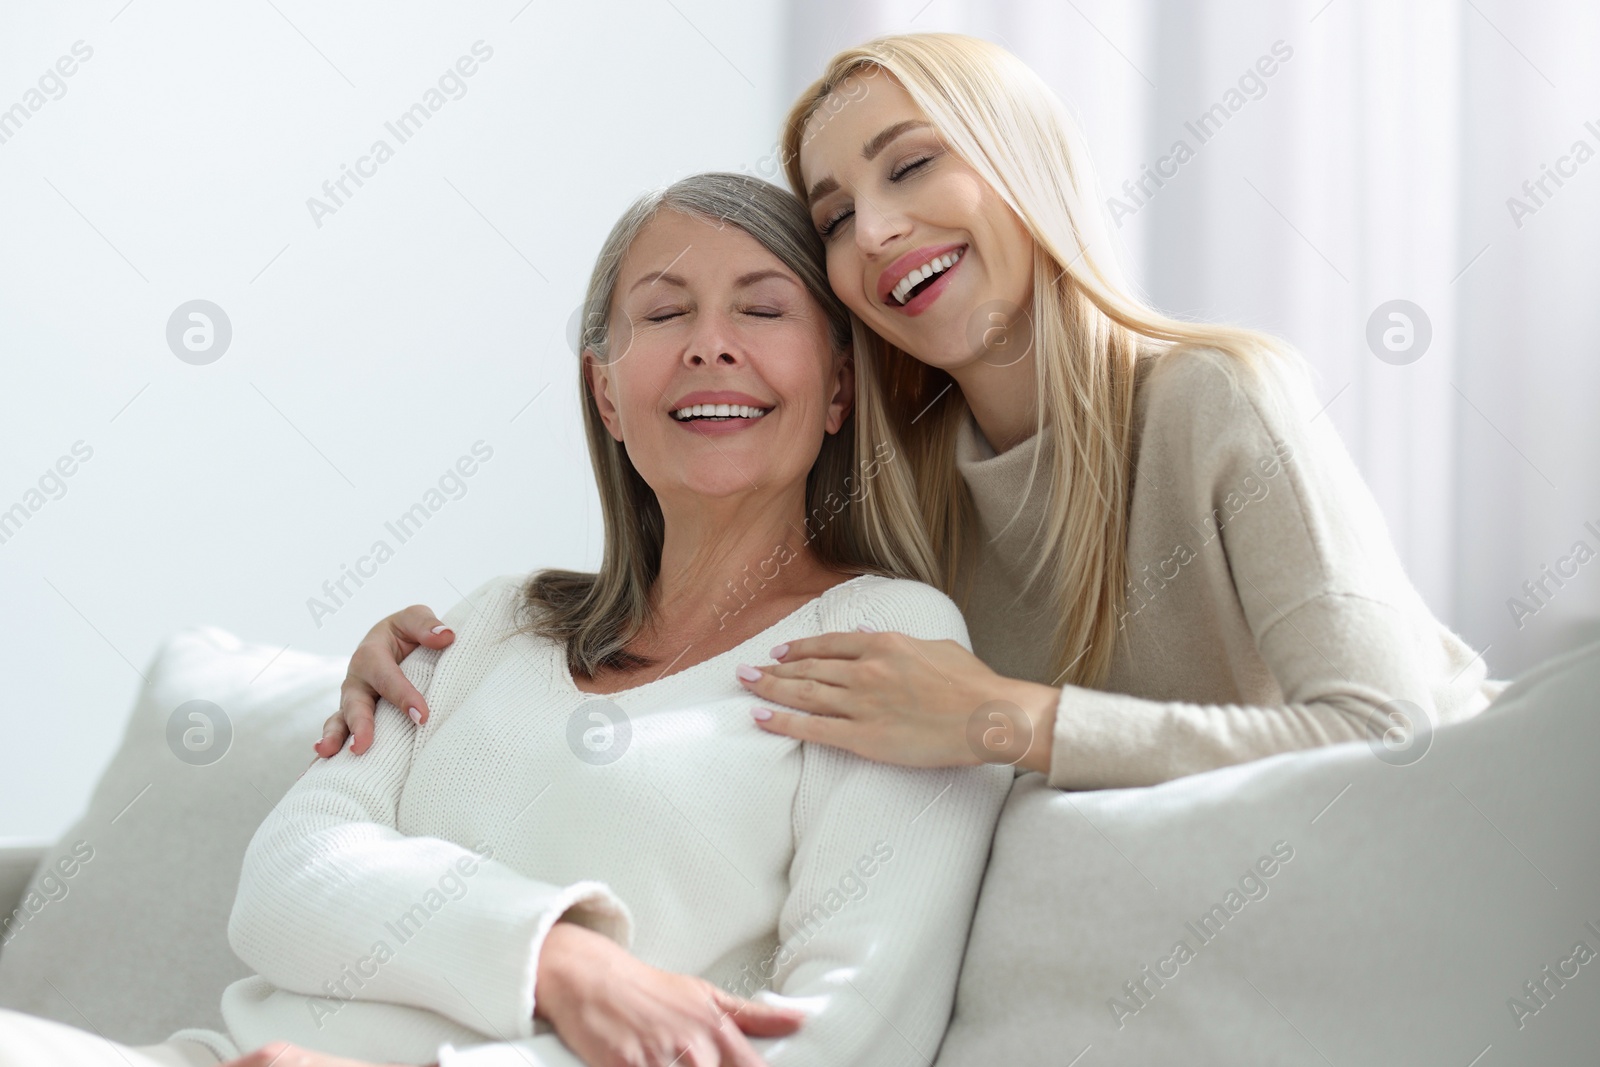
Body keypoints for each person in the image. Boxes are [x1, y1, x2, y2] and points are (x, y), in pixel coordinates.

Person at [0, 173, 1010, 1067]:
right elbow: (285, 879)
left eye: (761, 308)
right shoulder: (498, 620)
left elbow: (841, 1040)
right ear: (605, 393)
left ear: (837, 384)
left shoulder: (888, 640)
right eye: (663, 314)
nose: (710, 342)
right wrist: (556, 956)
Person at [323, 33, 1501, 789]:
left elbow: (1392, 738)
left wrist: (1010, 721)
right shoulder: (901, 490)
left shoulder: (1220, 396)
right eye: (833, 214)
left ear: (1021, 163)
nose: (875, 230)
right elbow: (688, 639)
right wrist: (455, 656)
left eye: (910, 165)